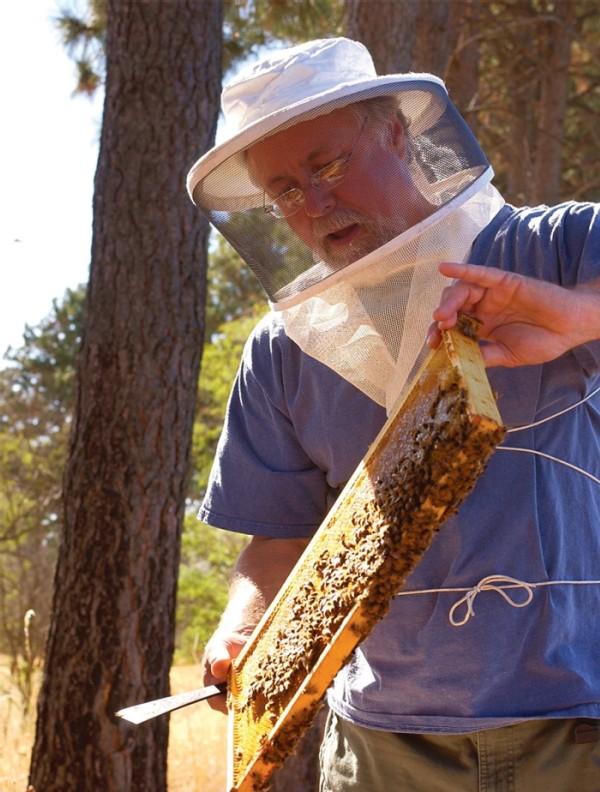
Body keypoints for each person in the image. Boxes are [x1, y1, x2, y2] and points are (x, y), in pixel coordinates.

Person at [186, 37, 600, 790]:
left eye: (329, 165)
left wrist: (579, 312)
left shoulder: (561, 247)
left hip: (575, 724)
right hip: (383, 746)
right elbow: (278, 538)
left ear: (398, 134)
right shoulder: (282, 352)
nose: (314, 204)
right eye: (284, 190)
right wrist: (242, 625)